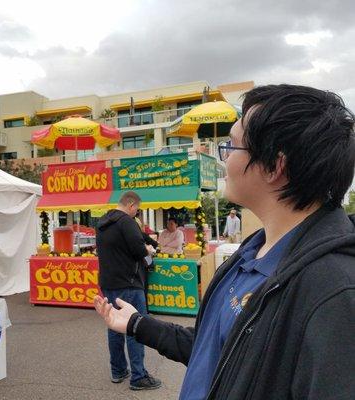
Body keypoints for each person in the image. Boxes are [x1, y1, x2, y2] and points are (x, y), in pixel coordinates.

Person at [94, 84, 355, 399]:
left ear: (275, 166)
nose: (224, 159)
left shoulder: (334, 292)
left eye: (231, 146)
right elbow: (218, 352)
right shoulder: (248, 255)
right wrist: (138, 324)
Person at [96, 191, 161, 391]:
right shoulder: (126, 222)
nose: (137, 213)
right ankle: (138, 376)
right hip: (129, 283)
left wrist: (148, 242)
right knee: (135, 327)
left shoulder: (102, 223)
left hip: (108, 283)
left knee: (114, 326)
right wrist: (149, 250)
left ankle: (118, 371)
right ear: (131, 204)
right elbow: (139, 249)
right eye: (137, 209)